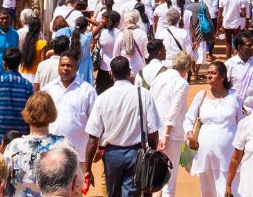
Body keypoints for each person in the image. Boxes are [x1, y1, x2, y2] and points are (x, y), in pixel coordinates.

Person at [82, 57, 162, 197]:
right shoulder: (143, 94)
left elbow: (93, 138)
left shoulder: (103, 98)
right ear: (129, 72)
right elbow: (153, 132)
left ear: (111, 74)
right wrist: (152, 155)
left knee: (112, 193)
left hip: (112, 155)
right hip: (136, 155)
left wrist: (87, 169)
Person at [185, 61, 243, 197]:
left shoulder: (234, 97)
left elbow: (242, 123)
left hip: (228, 153)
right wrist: (190, 134)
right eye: (208, 73)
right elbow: (188, 119)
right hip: (205, 153)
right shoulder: (202, 96)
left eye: (213, 73)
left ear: (223, 77)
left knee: (228, 189)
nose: (209, 76)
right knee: (207, 190)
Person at [5, 92, 65, 197]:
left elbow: (4, 181)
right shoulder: (63, 145)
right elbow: (76, 183)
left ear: (27, 112)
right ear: (52, 112)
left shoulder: (13, 146)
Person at [152, 53, 193, 197]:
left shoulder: (159, 78)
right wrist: (167, 135)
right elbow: (173, 112)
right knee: (169, 180)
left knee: (156, 178)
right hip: (170, 135)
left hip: (154, 132)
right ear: (186, 68)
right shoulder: (182, 84)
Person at [45, 52, 98, 164]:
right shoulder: (48, 89)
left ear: (77, 68)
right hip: (51, 152)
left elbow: (96, 121)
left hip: (78, 155)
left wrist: (98, 146)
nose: (65, 68)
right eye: (62, 65)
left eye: (69, 65)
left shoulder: (87, 91)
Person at [0, 48, 36, 150]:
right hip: (20, 140)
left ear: (4, 63)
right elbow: (30, 113)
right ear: (20, 64)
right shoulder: (28, 85)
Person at [226, 35, 253, 113]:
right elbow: (225, 88)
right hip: (234, 109)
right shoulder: (229, 64)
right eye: (249, 45)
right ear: (239, 47)